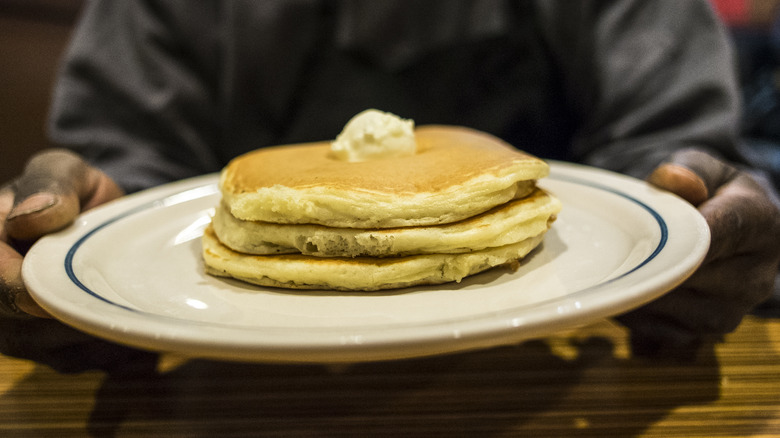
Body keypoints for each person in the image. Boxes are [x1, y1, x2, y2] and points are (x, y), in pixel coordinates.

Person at [1, 0, 778, 370]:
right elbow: (137, 190)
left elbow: (665, 171)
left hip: (559, 373)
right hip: (229, 397)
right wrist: (74, 250)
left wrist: (704, 224)